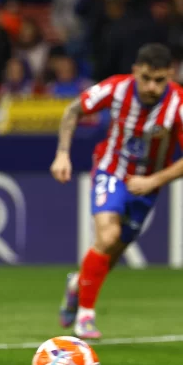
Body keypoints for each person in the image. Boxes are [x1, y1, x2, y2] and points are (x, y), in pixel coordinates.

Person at [50, 43, 183, 339]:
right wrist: (62, 153)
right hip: (111, 170)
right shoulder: (116, 88)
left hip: (147, 185)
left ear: (171, 75)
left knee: (112, 253)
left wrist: (154, 181)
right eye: (146, 78)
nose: (151, 87)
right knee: (108, 236)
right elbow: (73, 109)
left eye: (159, 80)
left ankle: (78, 283)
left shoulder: (178, 103)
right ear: (135, 71)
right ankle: (85, 317)